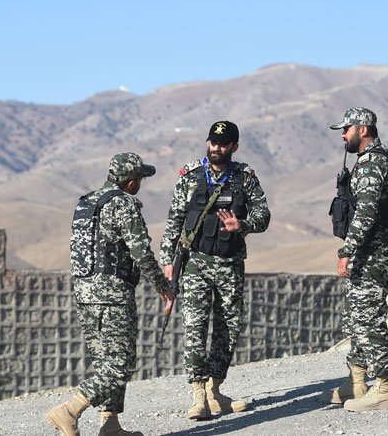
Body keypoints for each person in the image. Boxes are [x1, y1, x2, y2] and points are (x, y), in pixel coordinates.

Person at [47, 152, 173, 436]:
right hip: (112, 294)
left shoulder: (86, 203)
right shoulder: (123, 204)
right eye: (140, 178)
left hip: (84, 292)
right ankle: (70, 409)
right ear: (130, 182)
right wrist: (161, 286)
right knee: (121, 362)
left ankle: (111, 426)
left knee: (106, 360)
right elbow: (140, 250)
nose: (140, 183)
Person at [160, 121, 270, 420]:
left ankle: (214, 389)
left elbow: (263, 215)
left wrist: (243, 225)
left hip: (230, 264)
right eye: (212, 142)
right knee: (195, 327)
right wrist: (167, 263)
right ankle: (198, 395)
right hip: (196, 262)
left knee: (228, 328)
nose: (216, 148)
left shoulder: (244, 177)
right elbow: (174, 220)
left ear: (234, 146)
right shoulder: (191, 175)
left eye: (222, 144)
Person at [322, 107, 388, 411]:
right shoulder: (376, 160)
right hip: (369, 249)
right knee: (356, 315)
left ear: (363, 129)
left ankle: (384, 387)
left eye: (347, 129)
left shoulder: (373, 164)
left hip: (371, 250)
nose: (343, 135)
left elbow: (366, 214)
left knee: (368, 317)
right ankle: (356, 382)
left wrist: (347, 251)